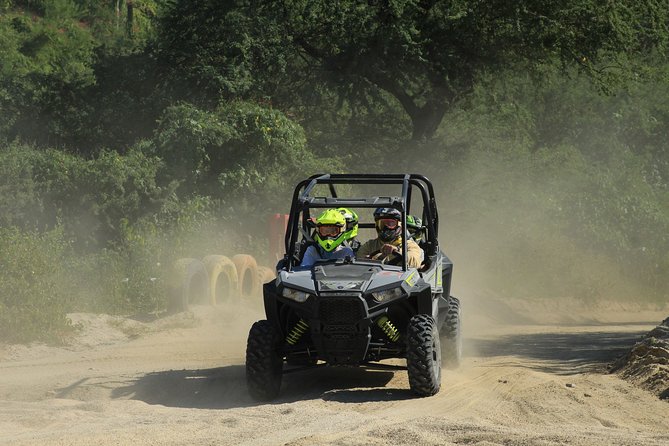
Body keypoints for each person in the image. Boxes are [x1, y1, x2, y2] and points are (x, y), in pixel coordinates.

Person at [356, 207, 424, 268]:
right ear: (377, 226)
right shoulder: (370, 245)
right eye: (381, 224)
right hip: (374, 279)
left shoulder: (409, 245)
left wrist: (397, 251)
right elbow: (358, 263)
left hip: (399, 280)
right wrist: (381, 256)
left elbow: (415, 261)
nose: (385, 228)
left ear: (399, 225)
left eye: (390, 224)